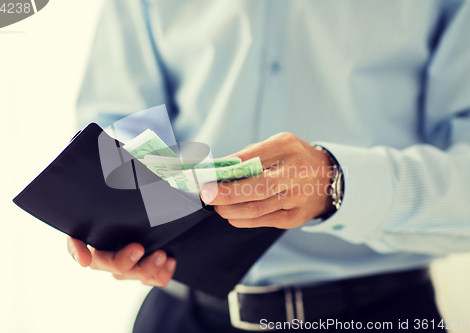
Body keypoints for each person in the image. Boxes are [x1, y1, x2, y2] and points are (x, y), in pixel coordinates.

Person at [68, 0, 470, 332]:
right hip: (180, 314)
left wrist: (337, 183)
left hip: (377, 316)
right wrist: (130, 219)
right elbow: (123, 120)